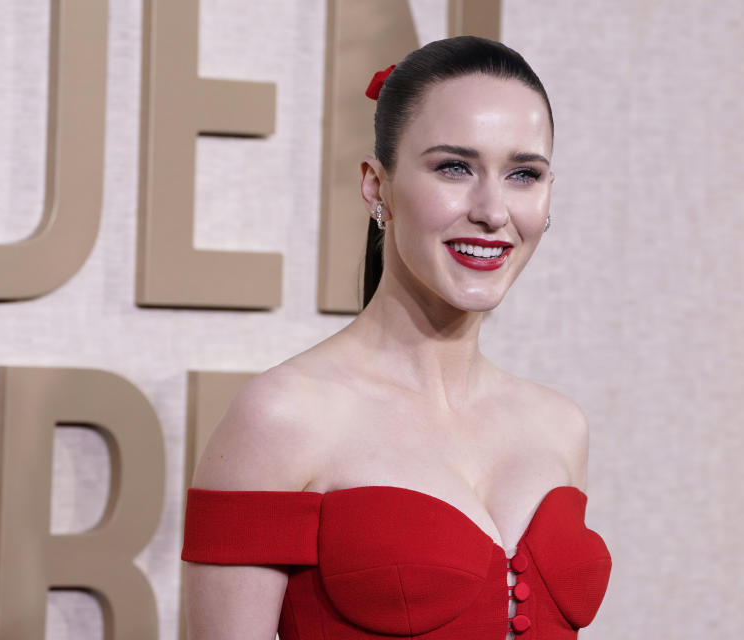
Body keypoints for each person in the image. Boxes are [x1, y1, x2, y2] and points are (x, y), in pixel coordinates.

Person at [182, 36, 611, 639]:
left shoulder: (560, 426)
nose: (492, 209)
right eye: (454, 168)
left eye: (523, 174)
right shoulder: (282, 416)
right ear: (375, 187)